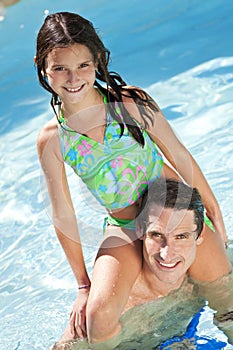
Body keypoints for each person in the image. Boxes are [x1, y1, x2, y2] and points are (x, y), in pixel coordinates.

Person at [35, 11, 231, 344]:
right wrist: (83, 286)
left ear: (97, 61)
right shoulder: (54, 138)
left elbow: (179, 155)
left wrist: (212, 214)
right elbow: (63, 213)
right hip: (125, 227)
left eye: (83, 65)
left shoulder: (130, 103)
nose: (73, 78)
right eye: (60, 68)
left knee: (225, 300)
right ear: (43, 67)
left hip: (176, 215)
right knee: (98, 317)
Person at [52, 179, 232, 349]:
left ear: (199, 236)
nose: (167, 254)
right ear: (139, 230)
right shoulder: (116, 309)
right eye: (157, 235)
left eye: (181, 237)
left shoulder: (210, 274)